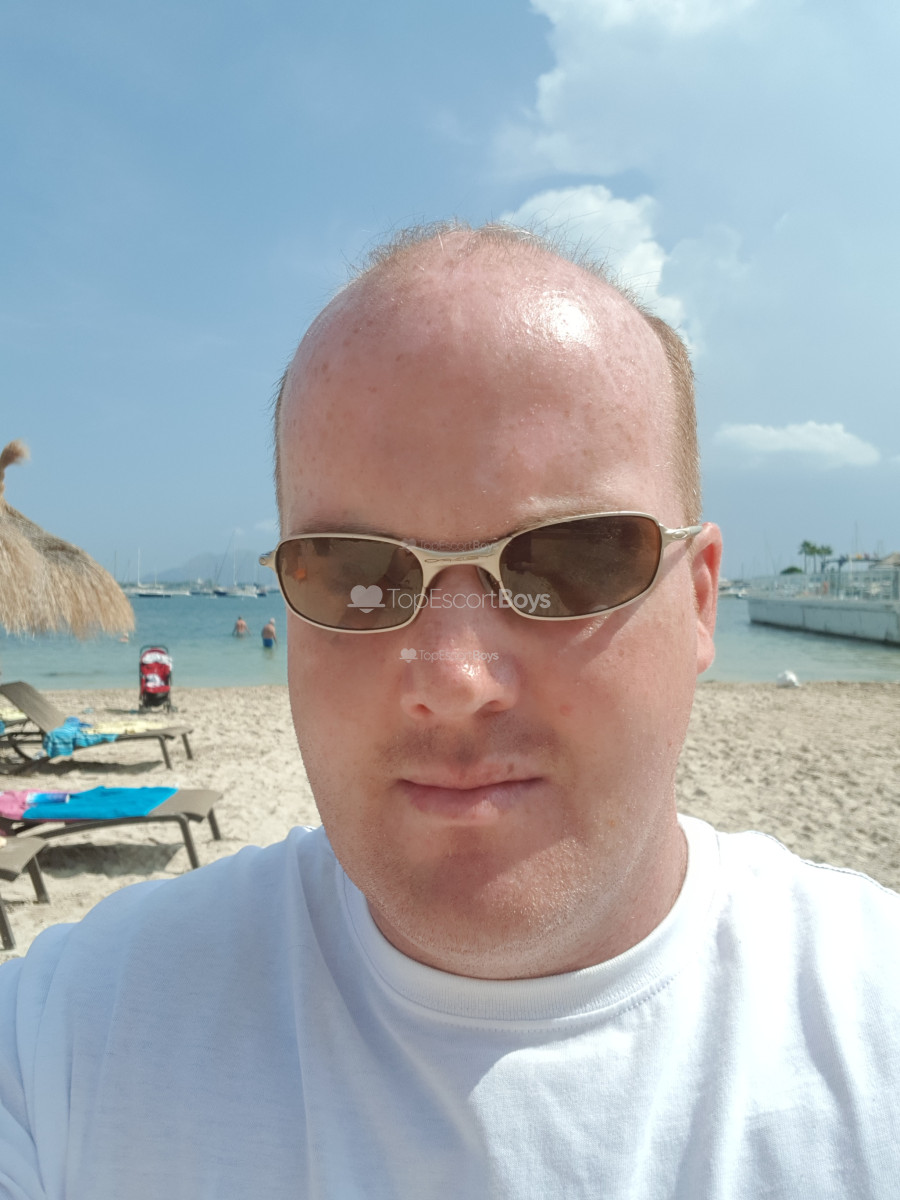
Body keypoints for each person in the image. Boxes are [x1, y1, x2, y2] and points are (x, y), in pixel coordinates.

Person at [0, 223, 897, 1199]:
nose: (457, 677)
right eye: (356, 575)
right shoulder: (63, 1043)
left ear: (700, 601)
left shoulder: (872, 1023)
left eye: (571, 562)